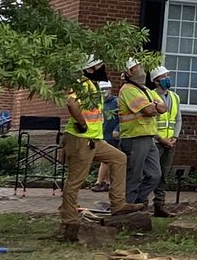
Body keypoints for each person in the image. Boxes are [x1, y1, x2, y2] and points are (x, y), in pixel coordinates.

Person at [59, 57, 142, 239]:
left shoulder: (93, 85)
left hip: (94, 140)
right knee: (75, 181)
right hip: (81, 139)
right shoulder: (81, 83)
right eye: (98, 65)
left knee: (119, 158)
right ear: (90, 68)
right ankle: (69, 221)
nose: (102, 68)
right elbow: (72, 103)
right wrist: (82, 124)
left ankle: (118, 204)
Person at [117, 58, 167, 205]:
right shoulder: (128, 90)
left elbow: (164, 108)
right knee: (134, 175)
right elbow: (149, 110)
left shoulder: (145, 90)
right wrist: (154, 106)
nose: (142, 69)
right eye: (137, 66)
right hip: (133, 137)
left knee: (155, 175)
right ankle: (128, 205)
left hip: (148, 137)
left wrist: (155, 106)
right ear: (129, 72)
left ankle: (138, 201)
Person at [149, 65, 182, 218]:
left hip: (170, 142)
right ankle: (142, 204)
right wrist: (160, 138)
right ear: (156, 81)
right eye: (164, 77)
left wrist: (174, 137)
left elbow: (178, 119)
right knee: (151, 174)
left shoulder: (174, 97)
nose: (168, 79)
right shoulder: (150, 96)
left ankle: (159, 205)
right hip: (156, 142)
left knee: (164, 174)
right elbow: (149, 122)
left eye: (168, 75)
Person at [90, 80, 119, 192]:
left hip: (112, 135)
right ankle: (107, 183)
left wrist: (117, 129)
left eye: (106, 88)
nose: (104, 91)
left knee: (106, 160)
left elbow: (122, 117)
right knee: (108, 160)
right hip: (101, 134)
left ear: (110, 89)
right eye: (102, 89)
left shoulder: (116, 102)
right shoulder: (98, 103)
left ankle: (99, 182)